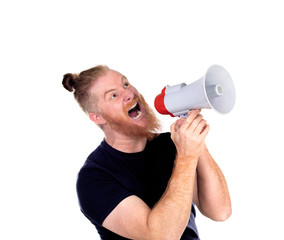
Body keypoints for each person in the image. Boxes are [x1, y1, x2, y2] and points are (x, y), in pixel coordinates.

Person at [62, 65, 232, 240]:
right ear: (98, 117)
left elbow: (220, 211)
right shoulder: (93, 178)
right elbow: (160, 236)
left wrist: (196, 142)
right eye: (113, 95)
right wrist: (187, 157)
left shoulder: (173, 144)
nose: (129, 93)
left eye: (126, 84)